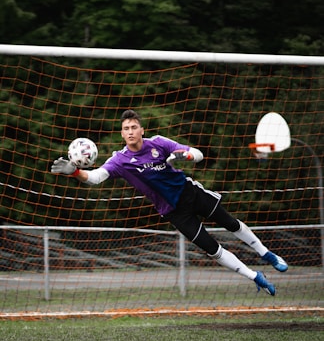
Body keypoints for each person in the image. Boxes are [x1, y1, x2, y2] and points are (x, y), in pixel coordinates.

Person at [51, 109, 288, 296]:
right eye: (126, 129)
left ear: (142, 130)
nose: (131, 131)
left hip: (190, 193)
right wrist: (74, 172)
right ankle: (255, 277)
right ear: (122, 134)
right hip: (174, 212)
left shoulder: (159, 143)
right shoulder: (119, 160)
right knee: (213, 250)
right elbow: (94, 178)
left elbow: (198, 154)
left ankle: (266, 253)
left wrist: (186, 155)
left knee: (231, 223)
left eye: (134, 127)